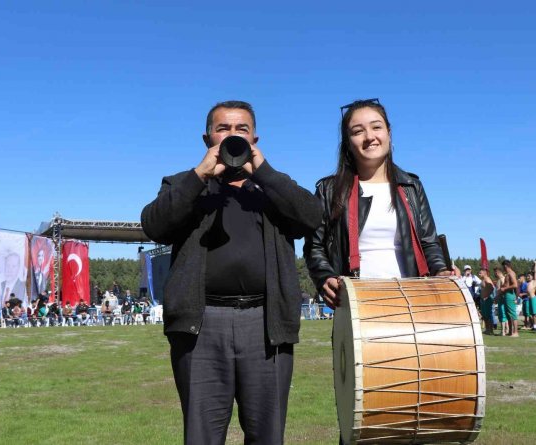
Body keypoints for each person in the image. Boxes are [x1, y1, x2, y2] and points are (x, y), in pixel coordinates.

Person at [140, 100, 321, 444]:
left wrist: (264, 173)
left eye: (242, 129)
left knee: (267, 435)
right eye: (223, 128)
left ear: (255, 138)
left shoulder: (272, 188)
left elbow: (311, 216)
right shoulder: (183, 184)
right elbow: (153, 224)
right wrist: (199, 176)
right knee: (202, 436)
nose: (232, 135)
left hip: (265, 324)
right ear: (207, 137)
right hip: (201, 325)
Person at [304, 98, 449, 312]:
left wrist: (441, 271)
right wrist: (324, 277)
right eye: (358, 131)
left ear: (389, 133)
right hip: (357, 303)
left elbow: (429, 242)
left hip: (411, 301)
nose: (369, 137)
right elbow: (315, 246)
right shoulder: (329, 190)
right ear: (347, 142)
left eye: (376, 127)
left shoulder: (411, 186)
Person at [499, 260, 519, 337]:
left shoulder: (511, 273)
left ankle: (516, 332)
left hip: (510, 295)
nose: (503, 268)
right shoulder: (507, 274)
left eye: (503, 266)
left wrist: (505, 288)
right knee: (508, 314)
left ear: (505, 266)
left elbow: (515, 285)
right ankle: (511, 331)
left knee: (513, 314)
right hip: (506, 295)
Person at [478, 269, 495, 335]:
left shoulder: (487, 279)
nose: (479, 274)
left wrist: (487, 296)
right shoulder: (483, 280)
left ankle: (490, 330)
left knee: (488, 315)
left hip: (487, 299)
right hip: (483, 300)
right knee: (485, 315)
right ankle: (487, 329)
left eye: (480, 273)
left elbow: (492, 288)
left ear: (485, 273)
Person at [526, 261, 536, 331]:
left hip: (533, 298)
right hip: (529, 299)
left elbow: (535, 272)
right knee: (532, 314)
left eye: (529, 276)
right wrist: (533, 265)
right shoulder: (528, 282)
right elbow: (531, 271)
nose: (528, 277)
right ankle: (534, 326)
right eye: (527, 276)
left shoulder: (534, 281)